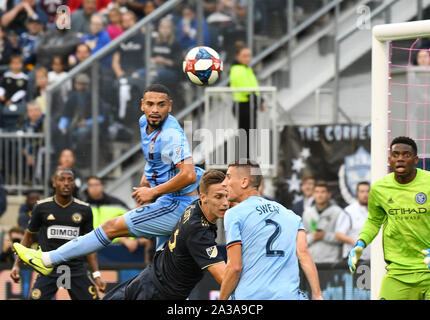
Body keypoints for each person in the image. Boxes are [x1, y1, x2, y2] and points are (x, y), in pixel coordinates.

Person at [13, 84, 205, 277]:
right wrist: (148, 176)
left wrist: (153, 191)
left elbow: (188, 174)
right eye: (151, 104)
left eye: (161, 105)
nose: (155, 109)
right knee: (163, 272)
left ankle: (48, 260)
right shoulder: (143, 122)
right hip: (171, 201)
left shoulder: (171, 135)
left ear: (170, 106)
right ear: (142, 105)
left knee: (110, 228)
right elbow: (155, 156)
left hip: (178, 204)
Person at [103, 169, 227, 300]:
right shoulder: (199, 232)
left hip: (146, 279)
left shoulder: (194, 206)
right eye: (218, 197)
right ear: (203, 197)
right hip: (156, 294)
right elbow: (223, 277)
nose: (225, 202)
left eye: (227, 196)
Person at [219, 159, 323, 300]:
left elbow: (235, 267)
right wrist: (317, 295)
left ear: (244, 182)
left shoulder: (234, 214)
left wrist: (221, 299)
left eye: (229, 176)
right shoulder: (291, 215)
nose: (224, 183)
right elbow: (303, 252)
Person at [348, 136, 430, 300]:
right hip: (398, 272)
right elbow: (373, 220)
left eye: (406, 155)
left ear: (415, 160)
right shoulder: (379, 188)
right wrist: (361, 242)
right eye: (395, 154)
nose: (400, 159)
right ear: (389, 159)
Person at [11, 168, 107, 300]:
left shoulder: (84, 209)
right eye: (62, 179)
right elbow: (28, 237)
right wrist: (16, 265)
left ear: (74, 184)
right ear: (54, 182)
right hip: (48, 268)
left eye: (70, 180)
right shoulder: (41, 207)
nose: (66, 183)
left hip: (75, 269)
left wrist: (96, 274)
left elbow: (90, 244)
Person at [84, 176, 137, 252]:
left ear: (102, 186)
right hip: (90, 248)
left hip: (116, 248)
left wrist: (129, 239)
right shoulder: (83, 206)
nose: (94, 188)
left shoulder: (117, 204)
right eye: (91, 185)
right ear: (87, 188)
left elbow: (132, 221)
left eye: (96, 185)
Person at [229, 42, 264, 158]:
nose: (247, 58)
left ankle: (246, 159)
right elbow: (246, 89)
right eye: (244, 56)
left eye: (249, 55)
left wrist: (259, 100)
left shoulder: (245, 69)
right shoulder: (237, 70)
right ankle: (244, 160)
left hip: (249, 104)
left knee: (248, 134)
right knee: (245, 135)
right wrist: (259, 101)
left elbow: (253, 86)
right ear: (237, 56)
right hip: (243, 105)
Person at [301, 180, 343, 264]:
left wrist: (324, 235)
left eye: (323, 192)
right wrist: (313, 236)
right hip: (313, 260)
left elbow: (342, 238)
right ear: (313, 194)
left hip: (332, 261)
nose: (320, 195)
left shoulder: (338, 212)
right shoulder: (307, 213)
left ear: (328, 194)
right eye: (317, 192)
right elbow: (301, 239)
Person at [335, 181, 371, 263]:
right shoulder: (349, 211)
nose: (365, 194)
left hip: (371, 258)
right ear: (357, 193)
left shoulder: (374, 211)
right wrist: (355, 242)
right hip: (354, 258)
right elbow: (338, 234)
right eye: (362, 191)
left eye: (367, 191)